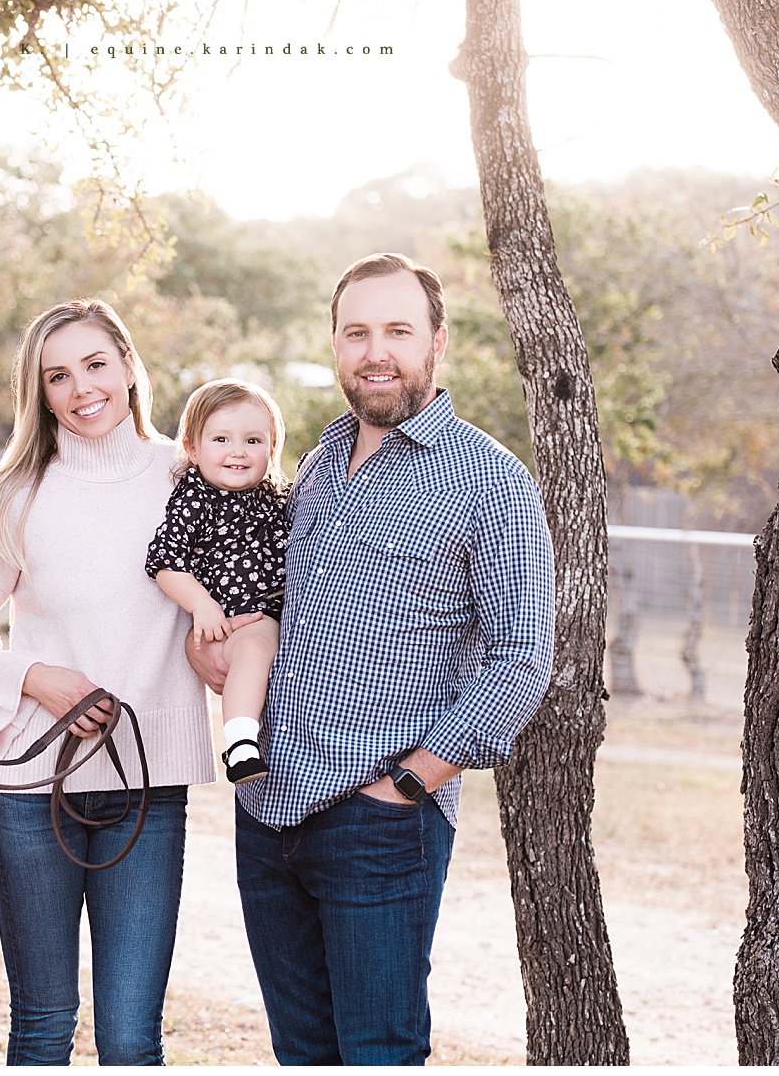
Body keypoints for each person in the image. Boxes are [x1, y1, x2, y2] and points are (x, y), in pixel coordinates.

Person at [190, 253, 555, 1065]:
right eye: (356, 332)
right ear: (334, 345)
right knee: (303, 1053)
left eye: (397, 330)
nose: (375, 351)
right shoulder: (315, 466)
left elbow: (523, 656)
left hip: (380, 819)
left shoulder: (490, 480)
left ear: (438, 342)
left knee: (379, 1053)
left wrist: (410, 782)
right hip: (269, 809)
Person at [0, 299, 215, 1066]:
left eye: (95, 364)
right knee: (43, 1027)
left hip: (148, 792)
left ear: (127, 365)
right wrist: (38, 676)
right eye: (58, 375)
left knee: (130, 1040)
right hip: (29, 793)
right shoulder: (14, 495)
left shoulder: (187, 477)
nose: (82, 387)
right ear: (40, 392)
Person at [145, 378, 289, 783]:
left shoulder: (278, 496)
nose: (238, 451)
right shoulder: (195, 498)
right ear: (192, 447)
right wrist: (202, 605)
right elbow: (165, 562)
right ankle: (241, 743)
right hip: (235, 618)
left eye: (254, 441)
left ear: (271, 449)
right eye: (221, 439)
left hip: (274, 615)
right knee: (255, 645)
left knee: (260, 648)